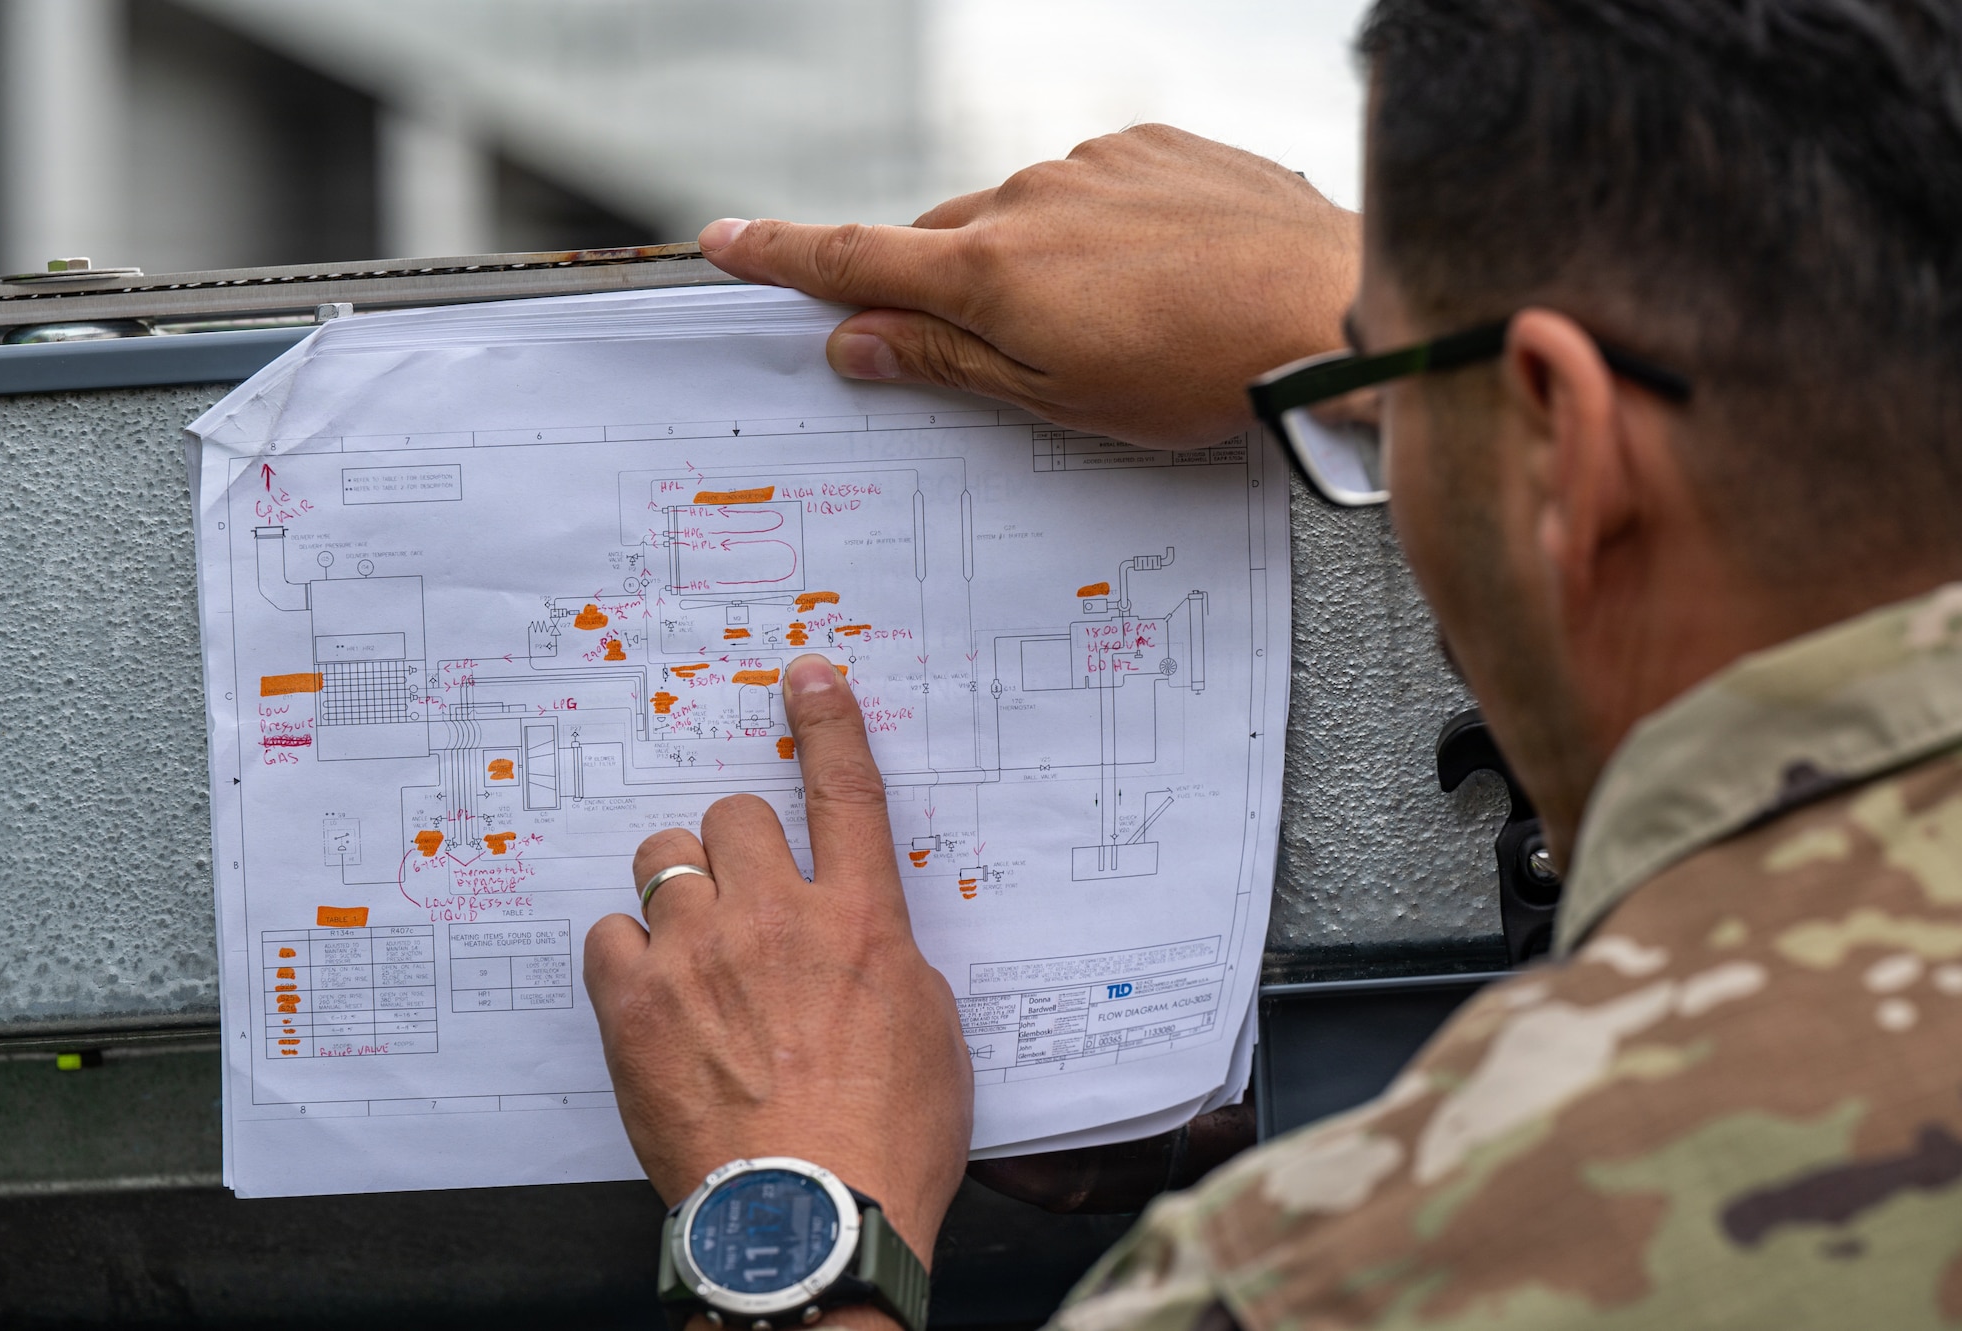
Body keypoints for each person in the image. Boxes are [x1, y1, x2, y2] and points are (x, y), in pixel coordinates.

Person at [583, 0, 1962, 1324]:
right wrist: (1364, 308)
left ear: (1565, 441)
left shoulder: (1354, 1273)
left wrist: (798, 1207)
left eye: (1369, 419)